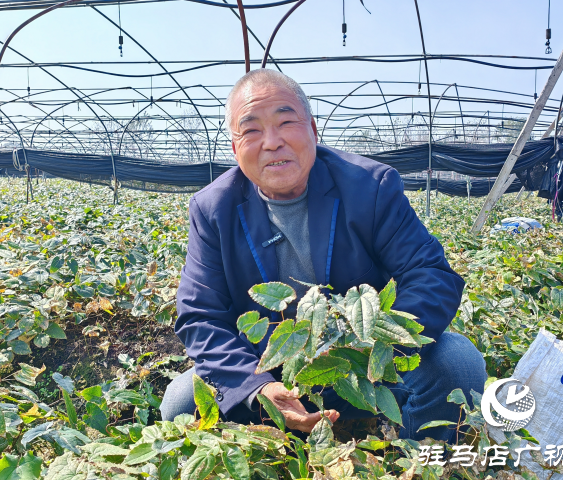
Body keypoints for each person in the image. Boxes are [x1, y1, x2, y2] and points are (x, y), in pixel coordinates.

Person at [160, 69, 486, 443]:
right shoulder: (212, 209)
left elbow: (431, 274)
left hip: (364, 365)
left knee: (455, 364)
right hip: (273, 370)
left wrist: (369, 348)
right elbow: (201, 314)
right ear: (235, 148)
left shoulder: (370, 187)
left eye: (286, 122)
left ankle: (419, 458)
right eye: (250, 130)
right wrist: (258, 388)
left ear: (313, 130)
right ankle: (281, 433)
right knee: (181, 403)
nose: (271, 142)